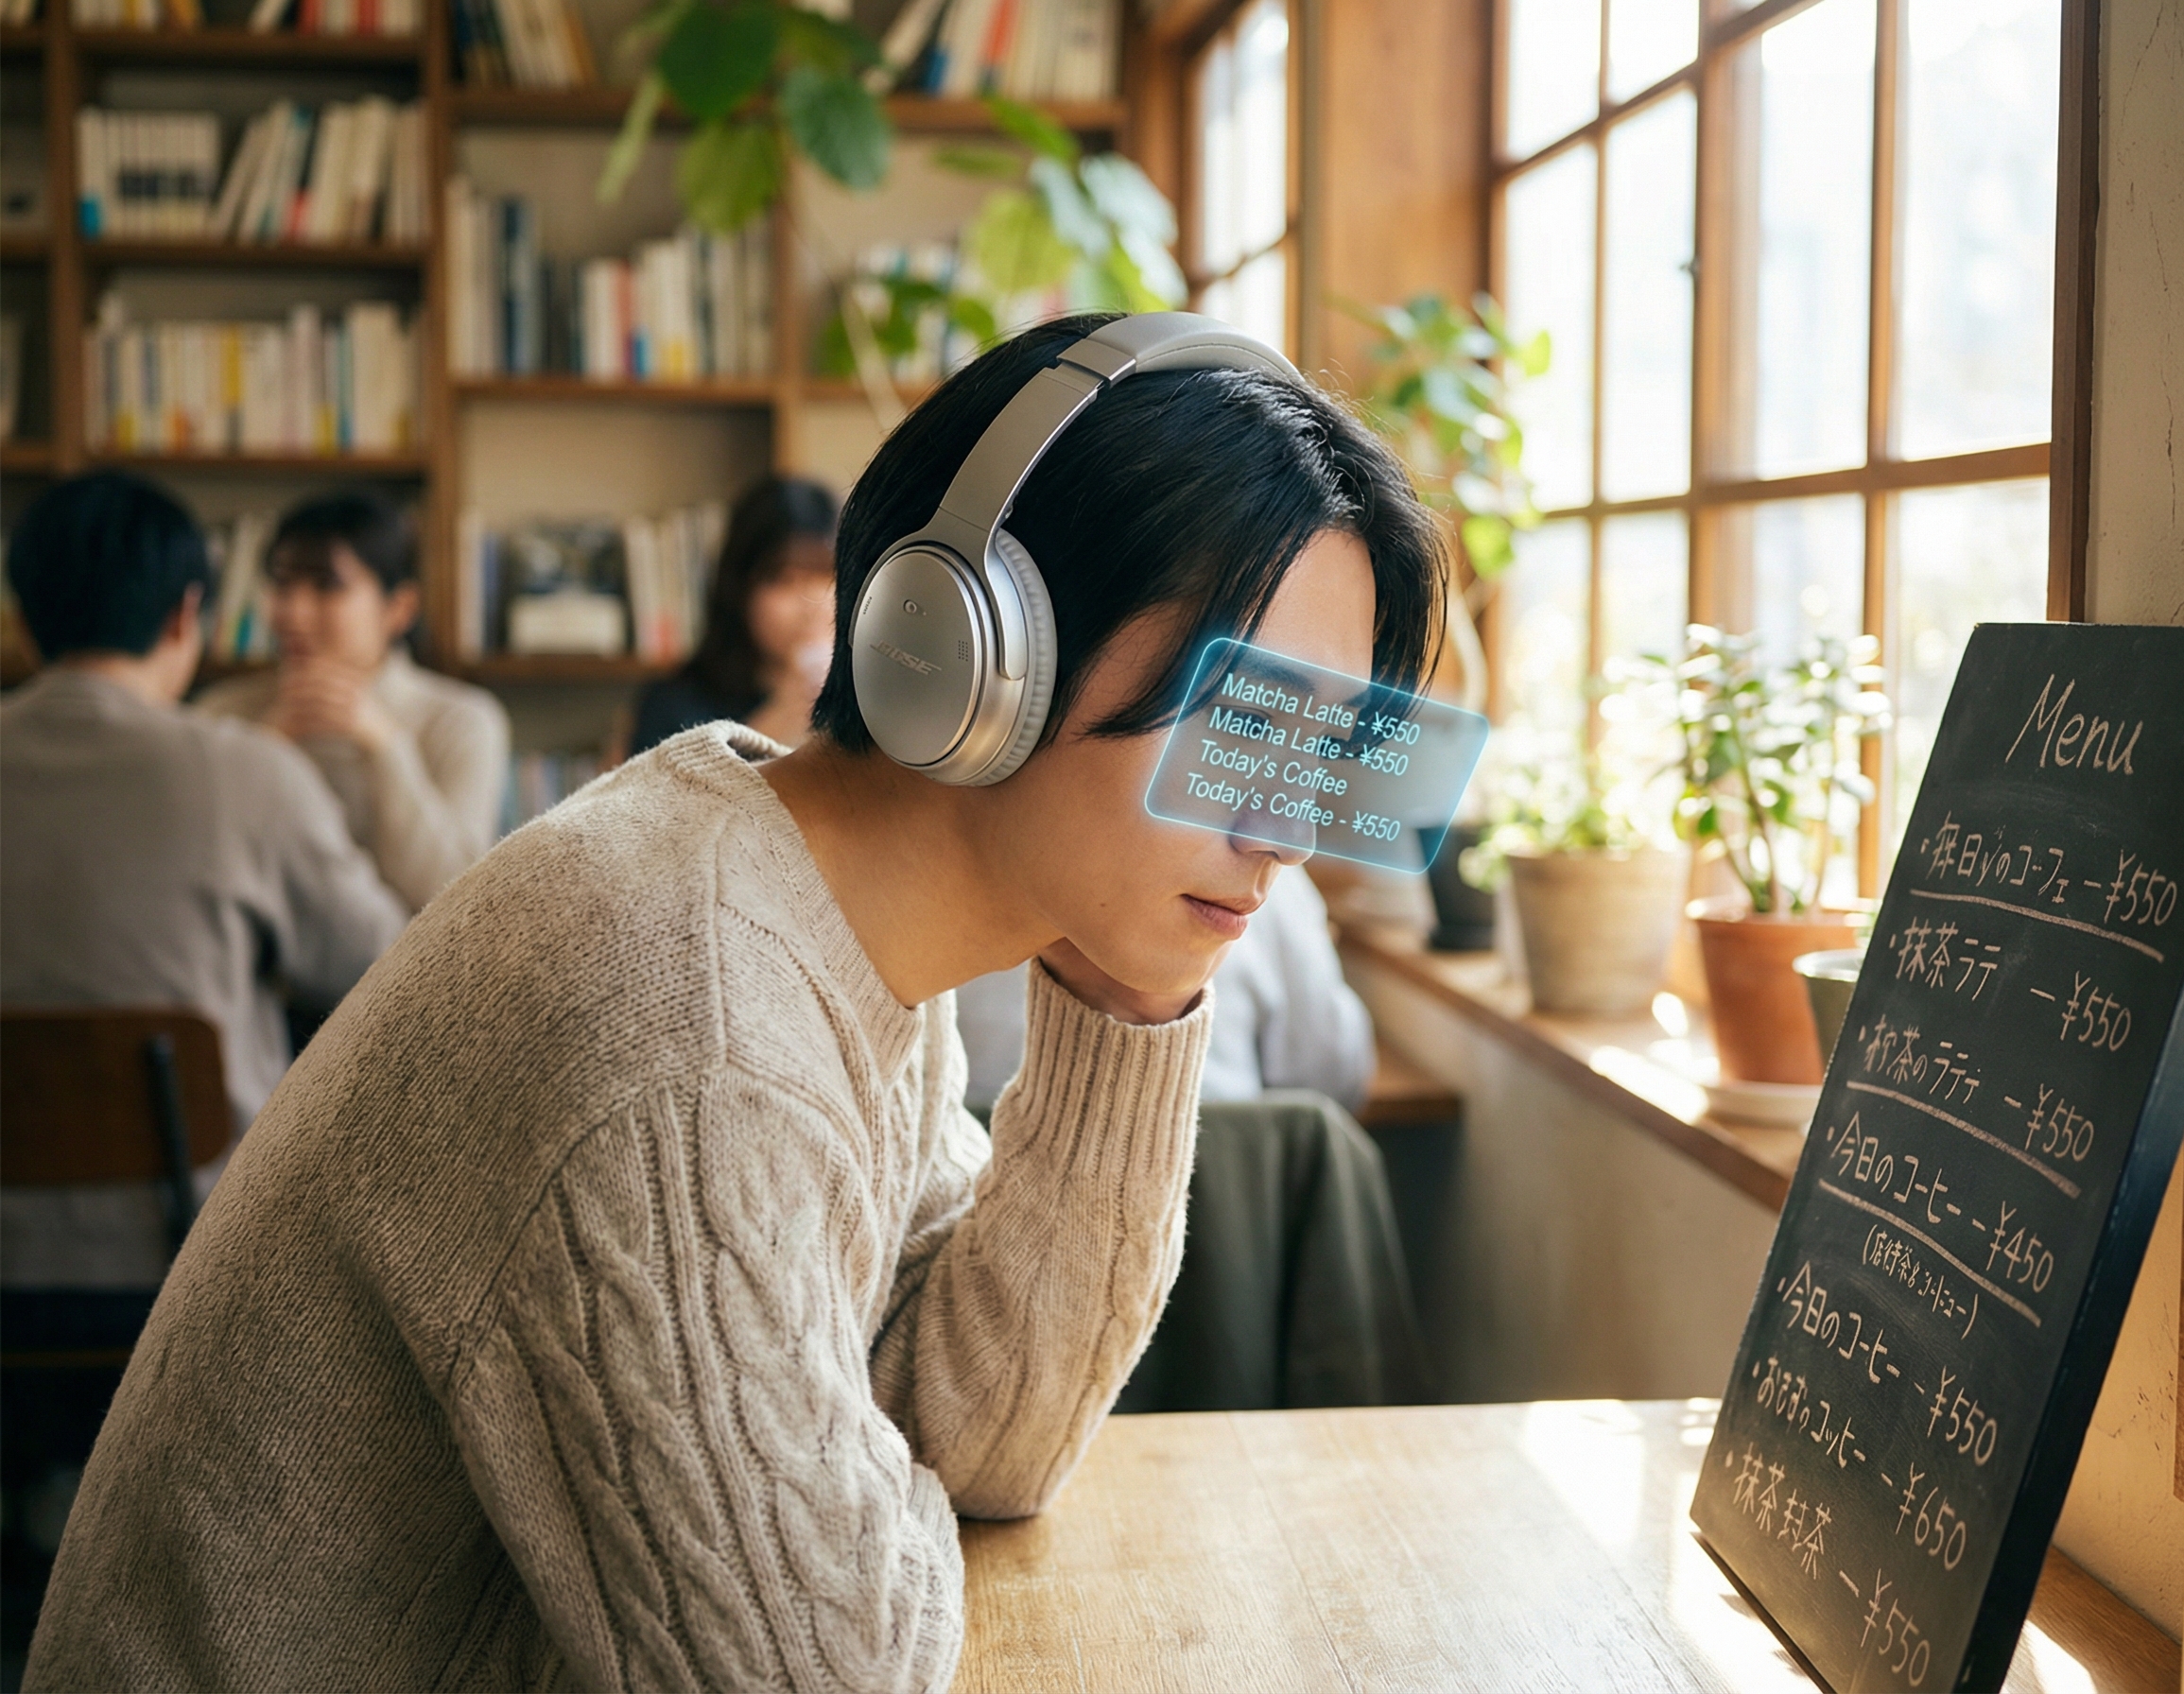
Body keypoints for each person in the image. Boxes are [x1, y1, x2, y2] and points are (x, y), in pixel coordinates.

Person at [26, 313, 1445, 1692]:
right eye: (1246, 720)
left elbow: (987, 1442)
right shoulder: (684, 1019)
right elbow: (828, 1666)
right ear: (977, 652)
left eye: (1320, 756)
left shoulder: (829, 923)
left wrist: (1127, 1003)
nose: (1286, 832)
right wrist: (868, 1466)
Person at [0, 472, 407, 1289]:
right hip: (199, 1273)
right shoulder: (249, 773)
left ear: (21, 614)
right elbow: (388, 970)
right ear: (186, 615)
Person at [198, 491, 510, 909]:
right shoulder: (223, 711)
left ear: (399, 608)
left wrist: (386, 747)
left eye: (326, 586)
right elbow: (195, 869)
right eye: (282, 585)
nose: (293, 613)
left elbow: (453, 898)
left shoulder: (462, 721)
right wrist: (265, 748)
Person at [958, 861, 1377, 1110]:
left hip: (974, 1161)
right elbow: (1332, 1077)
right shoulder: (1272, 881)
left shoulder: (971, 868)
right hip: (1233, 1200)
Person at [629, 475, 840, 755]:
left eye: (826, 577)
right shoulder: (676, 705)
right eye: (784, 580)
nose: (810, 603)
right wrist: (778, 721)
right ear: (739, 589)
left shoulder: (872, 696)